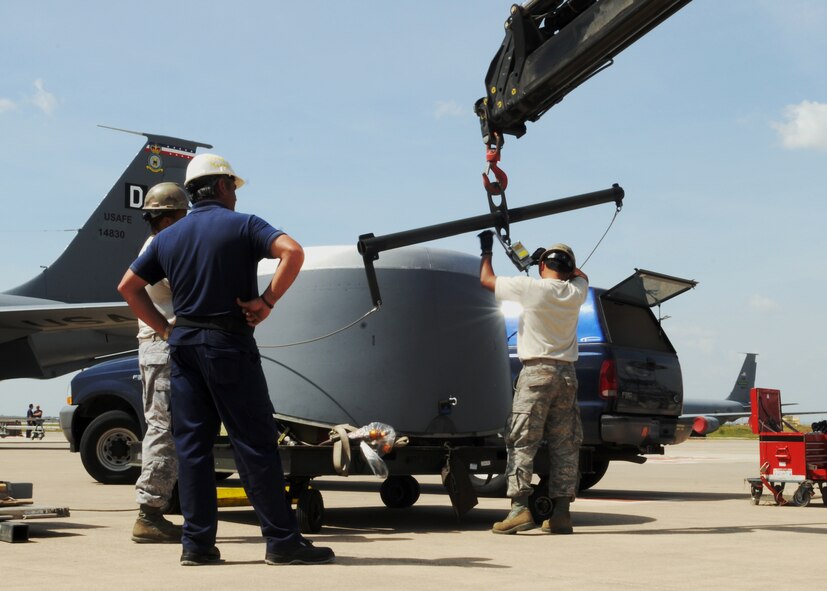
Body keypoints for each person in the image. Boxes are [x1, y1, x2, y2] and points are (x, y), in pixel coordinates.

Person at [117, 153, 334, 566]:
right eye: (232, 186)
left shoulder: (167, 237)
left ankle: (197, 545)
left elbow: (128, 287)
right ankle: (282, 542)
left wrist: (166, 330)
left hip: (183, 349)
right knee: (253, 443)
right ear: (221, 186)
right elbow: (293, 252)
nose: (235, 194)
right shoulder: (245, 225)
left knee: (193, 447)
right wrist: (266, 302)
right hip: (228, 344)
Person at [478, 231, 587, 535]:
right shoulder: (576, 291)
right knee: (565, 445)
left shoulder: (531, 288)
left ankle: (519, 510)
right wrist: (558, 261)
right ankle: (562, 514)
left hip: (537, 372)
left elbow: (487, 279)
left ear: (542, 266)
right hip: (567, 375)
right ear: (569, 269)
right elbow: (581, 275)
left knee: (523, 440)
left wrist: (486, 250)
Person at [131, 182, 189, 544]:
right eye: (183, 217)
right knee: (163, 430)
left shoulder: (158, 244)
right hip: (162, 345)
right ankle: (149, 513)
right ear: (168, 219)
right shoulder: (162, 247)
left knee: (171, 429)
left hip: (161, 346)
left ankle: (162, 505)